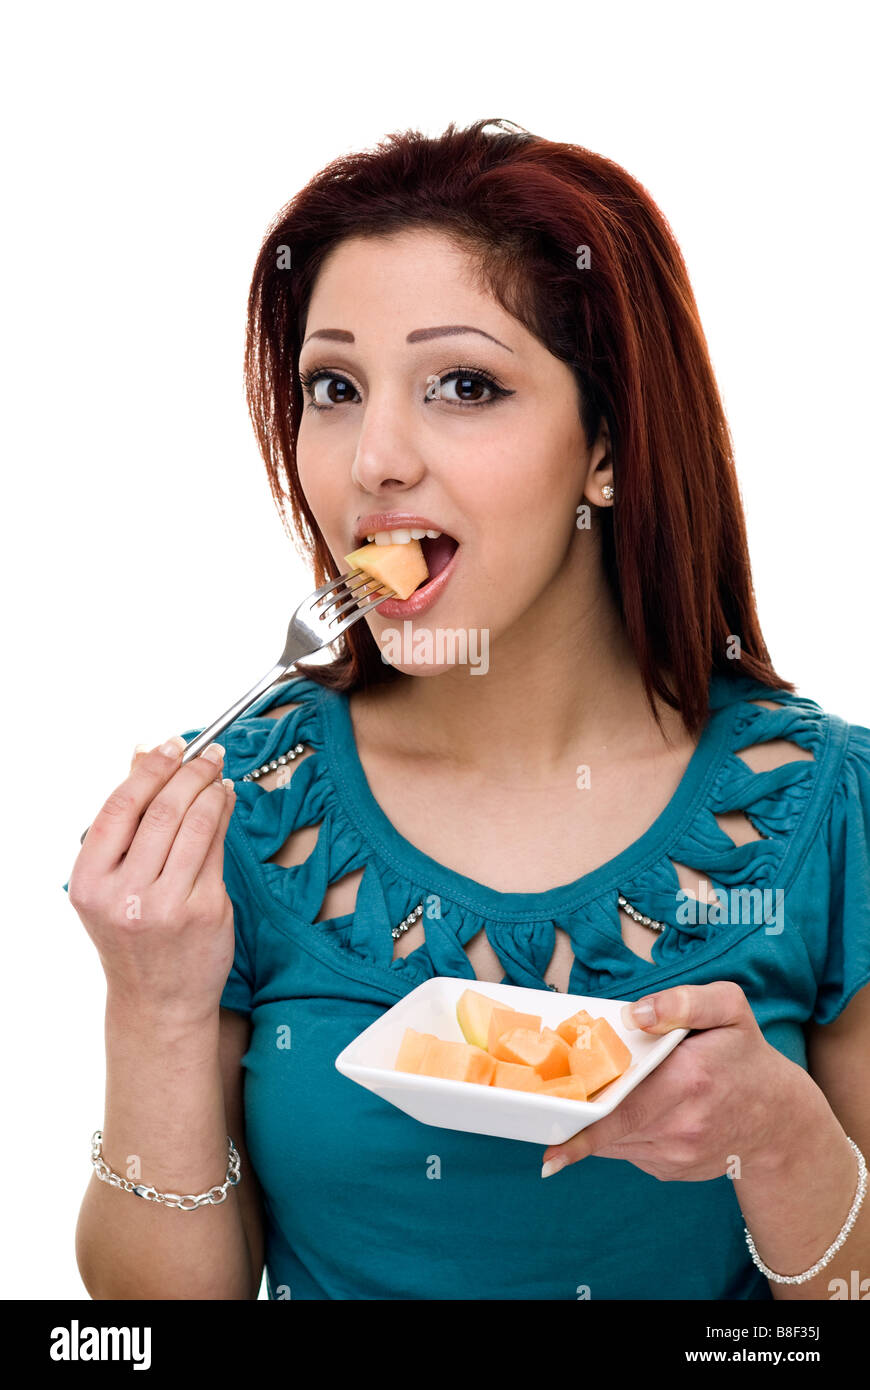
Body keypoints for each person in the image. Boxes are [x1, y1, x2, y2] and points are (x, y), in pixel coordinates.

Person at [64, 118, 870, 1300]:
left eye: (463, 385)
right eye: (333, 387)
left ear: (610, 445)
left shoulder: (827, 809)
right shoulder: (237, 809)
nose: (373, 459)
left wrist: (788, 1143)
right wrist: (152, 1007)